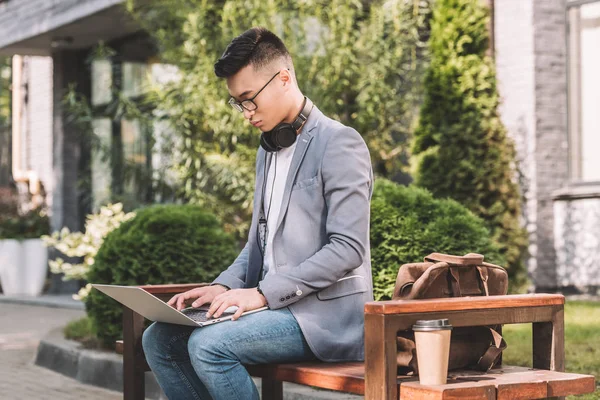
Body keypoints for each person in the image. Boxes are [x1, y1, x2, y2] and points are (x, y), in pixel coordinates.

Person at [142, 27, 374, 400]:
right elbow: (259, 246)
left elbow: (348, 249)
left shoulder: (339, 142)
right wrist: (222, 286)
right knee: (159, 339)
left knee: (209, 345)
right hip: (271, 309)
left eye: (249, 99)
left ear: (284, 78)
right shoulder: (267, 150)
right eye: (238, 103)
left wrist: (263, 294)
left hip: (322, 320)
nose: (246, 113)